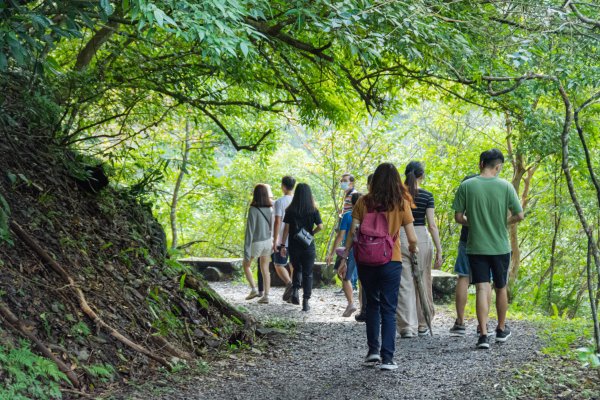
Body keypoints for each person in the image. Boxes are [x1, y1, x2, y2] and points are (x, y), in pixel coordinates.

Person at [339, 163, 418, 371]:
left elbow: (352, 233)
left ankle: (373, 351)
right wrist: (414, 248)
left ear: (374, 181)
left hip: (366, 259)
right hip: (391, 259)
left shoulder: (364, 201)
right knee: (389, 308)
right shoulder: (401, 202)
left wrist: (345, 257)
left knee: (372, 304)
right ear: (396, 181)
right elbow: (411, 237)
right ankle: (388, 358)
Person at [453, 149, 524, 349]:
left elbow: (458, 217)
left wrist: (475, 223)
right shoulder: (506, 186)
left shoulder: (467, 186)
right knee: (500, 287)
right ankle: (501, 330)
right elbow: (519, 216)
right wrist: (503, 222)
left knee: (482, 288)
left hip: (476, 246)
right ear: (498, 166)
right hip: (500, 247)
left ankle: (483, 334)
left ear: (481, 163)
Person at [396, 161, 443, 338]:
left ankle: (407, 326)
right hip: (421, 237)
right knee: (423, 279)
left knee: (404, 282)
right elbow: (432, 225)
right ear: (421, 176)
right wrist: (439, 249)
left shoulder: (397, 196)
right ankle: (423, 323)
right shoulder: (427, 196)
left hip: (400, 236)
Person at [449, 174, 492, 336]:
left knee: (463, 277)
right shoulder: (487, 190)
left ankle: (460, 322)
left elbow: (459, 217)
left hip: (467, 239)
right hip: (488, 241)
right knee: (486, 281)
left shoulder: (465, 188)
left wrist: (472, 221)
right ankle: (483, 324)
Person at [280, 183, 323, 311]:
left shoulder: (290, 210)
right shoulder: (313, 210)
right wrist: (311, 234)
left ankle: (295, 291)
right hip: (308, 245)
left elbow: (286, 229)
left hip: (294, 245)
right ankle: (306, 301)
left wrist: (283, 245)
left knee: (297, 268)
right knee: (307, 273)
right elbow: (320, 227)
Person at [327, 192, 362, 317]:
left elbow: (341, 235)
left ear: (352, 203)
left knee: (345, 276)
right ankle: (363, 307)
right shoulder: (368, 215)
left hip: (350, 249)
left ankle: (351, 303)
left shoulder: (348, 215)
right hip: (366, 249)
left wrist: (332, 253)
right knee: (363, 279)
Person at [242, 184, 273, 304]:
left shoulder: (253, 209)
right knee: (265, 269)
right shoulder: (270, 209)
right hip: (267, 242)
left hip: (257, 243)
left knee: (246, 264)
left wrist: (246, 249)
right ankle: (266, 296)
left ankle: (254, 289)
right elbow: (271, 227)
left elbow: (249, 231)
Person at [332, 173, 358, 292]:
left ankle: (350, 283)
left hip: (349, 228)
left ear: (351, 183)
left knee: (349, 255)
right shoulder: (347, 195)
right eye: (341, 181)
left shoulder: (353, 195)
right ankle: (349, 283)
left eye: (345, 181)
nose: (342, 183)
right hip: (347, 225)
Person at [272, 176, 296, 301]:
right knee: (293, 264)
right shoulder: (297, 201)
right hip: (295, 239)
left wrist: (275, 239)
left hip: (282, 239)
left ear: (283, 186)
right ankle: (294, 291)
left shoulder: (279, 202)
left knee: (278, 264)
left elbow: (277, 221)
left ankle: (289, 283)